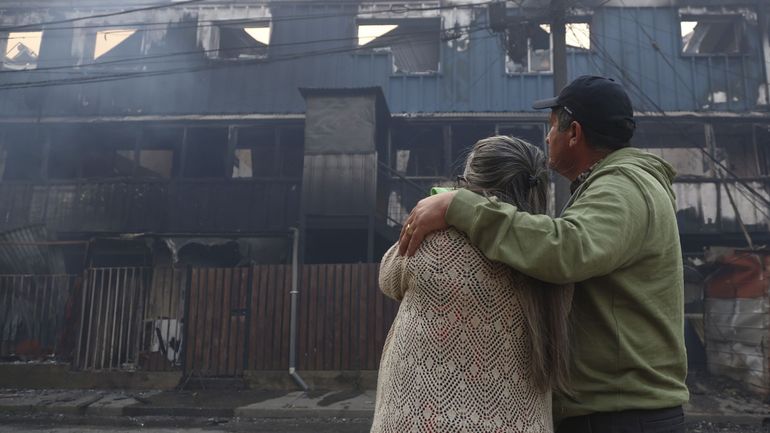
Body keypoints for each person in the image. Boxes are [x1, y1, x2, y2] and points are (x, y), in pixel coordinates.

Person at [398, 76, 689, 433]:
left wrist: (463, 207)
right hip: (615, 408)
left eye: (551, 128)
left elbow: (566, 250)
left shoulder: (621, 186)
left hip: (621, 414)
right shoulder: (617, 184)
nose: (548, 138)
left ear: (574, 132)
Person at [371, 136, 573, 433]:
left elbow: (388, 278)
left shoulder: (433, 244)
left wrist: (441, 207)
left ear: (468, 186)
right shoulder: (551, 257)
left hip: (419, 420)